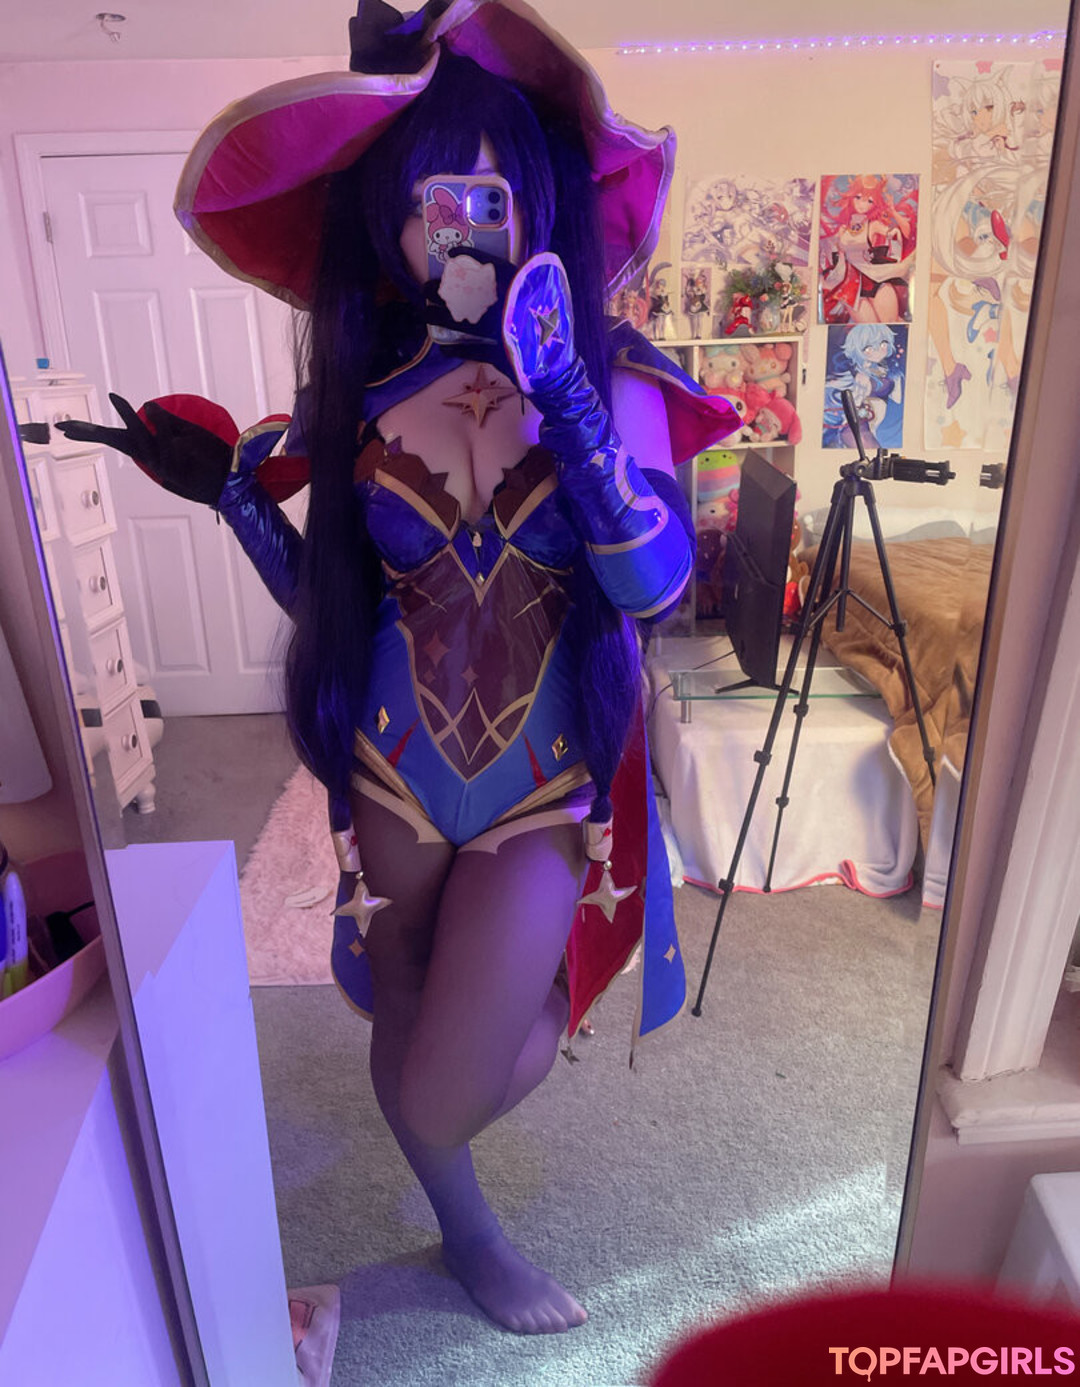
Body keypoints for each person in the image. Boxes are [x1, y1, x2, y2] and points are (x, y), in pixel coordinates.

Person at [57, 0, 737, 1335]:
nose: (459, 227)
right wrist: (236, 501)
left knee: (447, 1077)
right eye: (430, 201)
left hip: (540, 785)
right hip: (390, 777)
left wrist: (572, 407)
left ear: (535, 201)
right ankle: (472, 1237)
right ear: (392, 222)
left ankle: (509, 1070)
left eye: (486, 194)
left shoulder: (617, 378)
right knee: (405, 1018)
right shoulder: (366, 395)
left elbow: (654, 585)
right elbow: (338, 599)